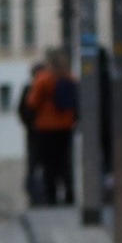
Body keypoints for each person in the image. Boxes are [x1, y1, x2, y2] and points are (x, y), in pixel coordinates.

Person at [22, 52, 79, 206]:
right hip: (65, 126)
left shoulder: (43, 78)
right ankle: (69, 192)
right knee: (64, 160)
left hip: (46, 127)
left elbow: (32, 102)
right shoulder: (69, 76)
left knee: (48, 163)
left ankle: (51, 195)